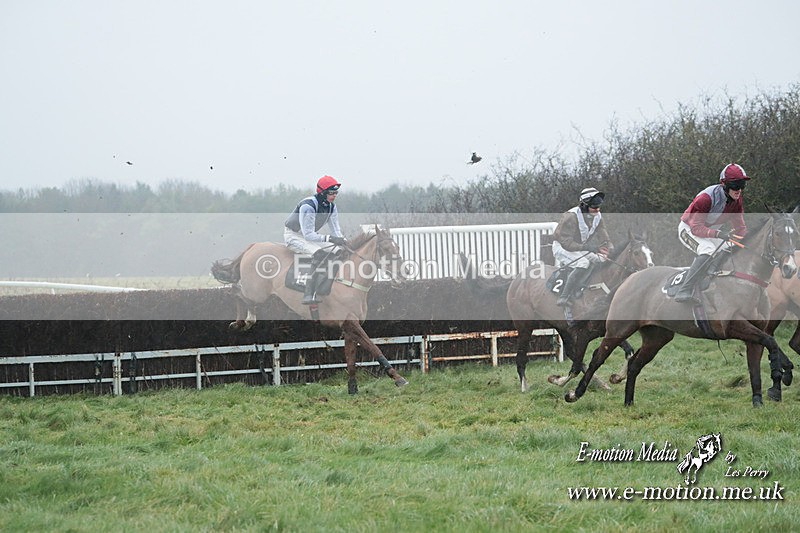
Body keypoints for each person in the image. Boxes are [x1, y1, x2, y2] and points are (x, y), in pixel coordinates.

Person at [674, 163, 749, 304]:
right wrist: (718, 234)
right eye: (735, 185)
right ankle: (684, 289)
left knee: (729, 247)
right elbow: (696, 228)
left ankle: (711, 277)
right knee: (708, 249)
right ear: (725, 184)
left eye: (742, 185)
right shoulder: (706, 198)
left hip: (709, 231)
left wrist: (748, 244)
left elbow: (740, 229)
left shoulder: (737, 201)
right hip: (689, 229)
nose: (738, 190)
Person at [284, 175, 348, 304]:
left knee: (339, 251)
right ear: (323, 193)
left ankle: (327, 283)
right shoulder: (308, 206)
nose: (334, 195)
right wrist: (330, 238)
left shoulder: (331, 207)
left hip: (311, 236)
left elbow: (336, 231)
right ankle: (308, 293)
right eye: (331, 192)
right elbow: (308, 235)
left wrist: (344, 242)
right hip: (294, 236)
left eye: (336, 192)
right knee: (319, 254)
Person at [552, 187, 613, 307]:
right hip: (562, 248)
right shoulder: (571, 217)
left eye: (599, 207)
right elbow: (567, 243)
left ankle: (585, 285)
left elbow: (603, 234)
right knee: (583, 263)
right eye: (594, 207)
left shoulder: (598, 216)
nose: (597, 210)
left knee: (600, 259)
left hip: (579, 248)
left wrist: (609, 248)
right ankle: (564, 296)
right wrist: (590, 248)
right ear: (584, 206)